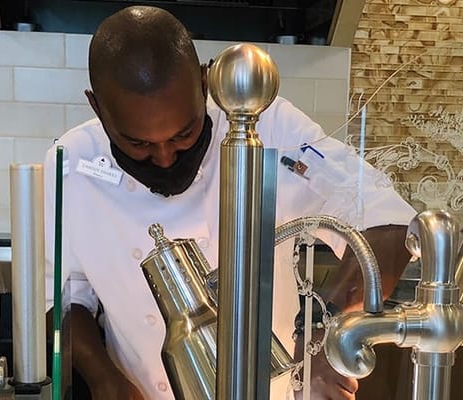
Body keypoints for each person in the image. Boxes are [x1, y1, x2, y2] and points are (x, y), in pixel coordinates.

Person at [43, 6, 416, 400]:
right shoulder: (72, 163)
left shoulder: (266, 125)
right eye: (138, 144)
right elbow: (65, 301)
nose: (166, 157)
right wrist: (107, 381)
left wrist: (332, 332)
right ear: (97, 108)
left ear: (205, 84)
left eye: (184, 134)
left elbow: (386, 220)